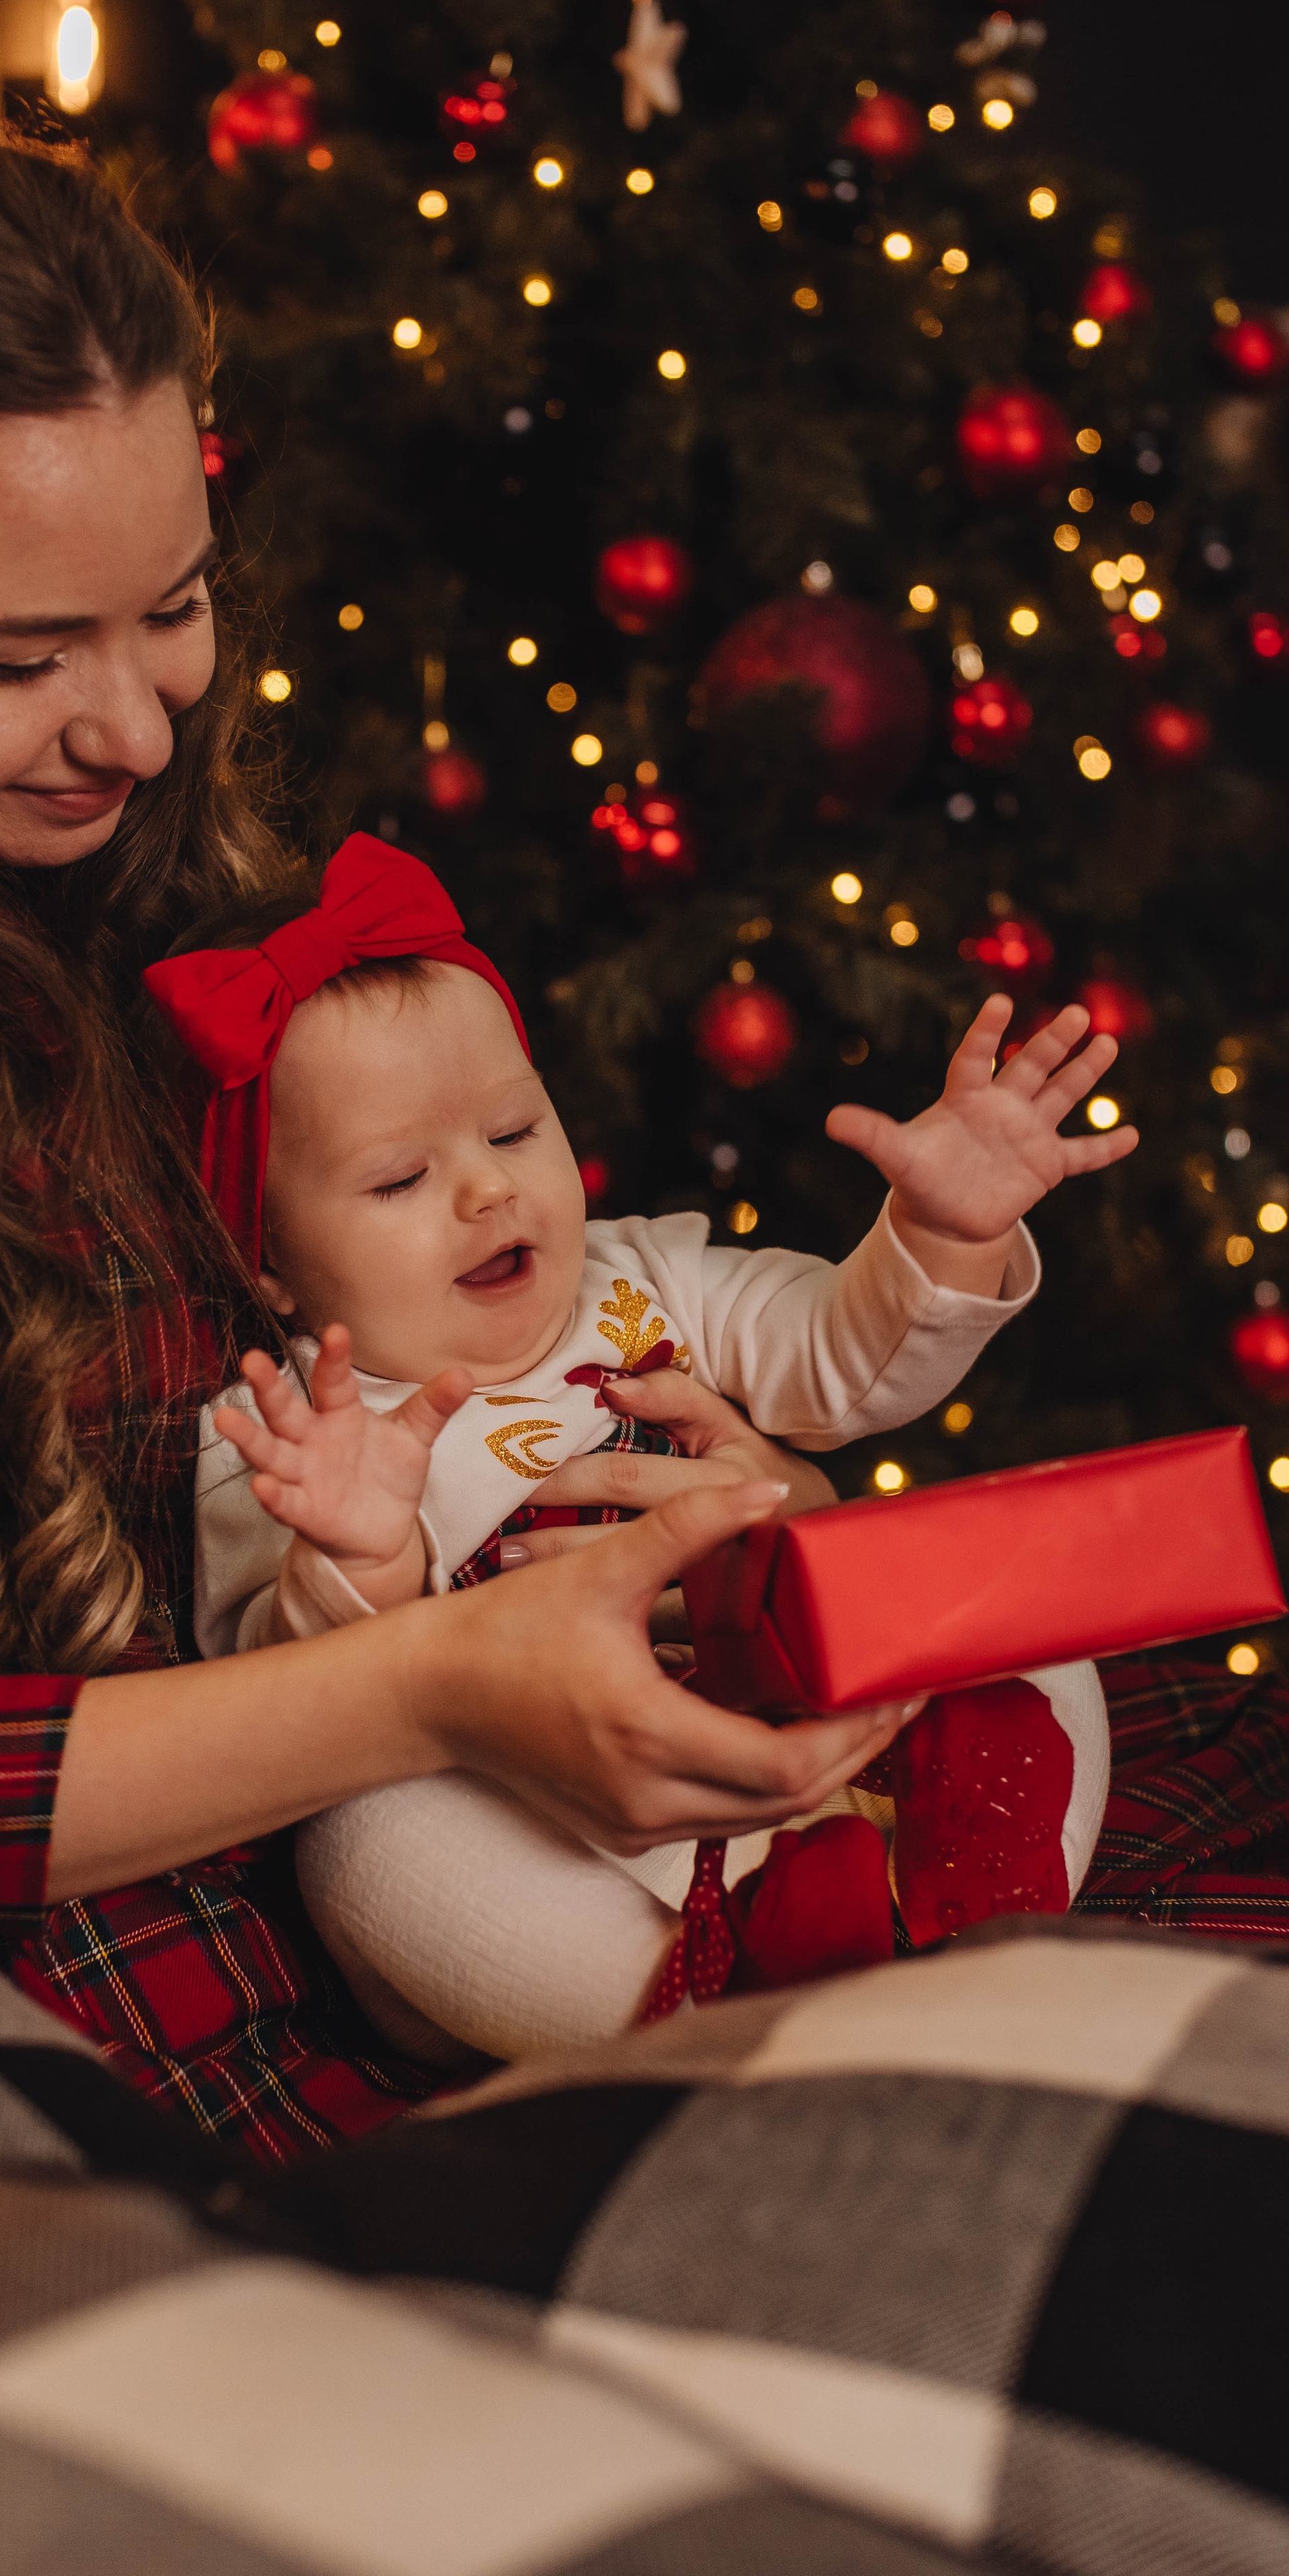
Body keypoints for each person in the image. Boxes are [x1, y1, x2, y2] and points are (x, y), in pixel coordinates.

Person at [0, 123, 920, 2162]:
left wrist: (712, 1499)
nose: (139, 726)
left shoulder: (76, 850)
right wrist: (431, 1687)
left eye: (172, 607)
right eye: (20, 660)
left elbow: (395, 1340)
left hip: (359, 1958)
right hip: (77, 2079)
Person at [148, 839, 1122, 2061]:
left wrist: (942, 1233)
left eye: (514, 1129)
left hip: (773, 1697)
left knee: (1022, 1605)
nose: (487, 1192)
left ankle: (956, 1890)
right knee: (367, 1843)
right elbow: (282, 1709)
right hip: (543, 1819)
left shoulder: (644, 1276)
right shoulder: (293, 1431)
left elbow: (841, 1361)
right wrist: (356, 1554)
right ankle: (753, 1971)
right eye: (399, 1179)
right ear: (268, 1262)